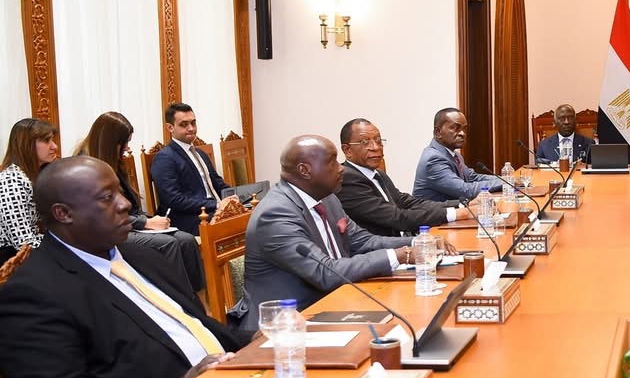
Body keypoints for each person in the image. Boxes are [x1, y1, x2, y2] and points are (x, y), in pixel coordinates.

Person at [0, 157, 249, 378]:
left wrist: (261, 340)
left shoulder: (139, 255)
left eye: (120, 192)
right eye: (107, 198)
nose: (125, 204)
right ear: (63, 213)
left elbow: (195, 325)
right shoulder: (33, 292)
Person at [242, 135, 413, 322]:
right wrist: (399, 255)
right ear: (305, 170)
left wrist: (419, 242)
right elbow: (325, 273)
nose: (341, 168)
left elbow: (364, 241)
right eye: (332, 161)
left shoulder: (327, 198)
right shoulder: (275, 214)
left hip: (337, 302)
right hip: (287, 321)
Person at [76, 111, 205, 293]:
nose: (128, 148)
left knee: (186, 240)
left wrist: (149, 219)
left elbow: (131, 204)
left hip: (130, 223)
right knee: (169, 244)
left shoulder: (112, 161)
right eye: (125, 143)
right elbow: (103, 215)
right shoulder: (86, 169)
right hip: (109, 232)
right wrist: (145, 223)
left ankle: (198, 299)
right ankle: (177, 300)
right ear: (111, 142)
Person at [337, 118, 465, 237]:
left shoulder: (378, 174)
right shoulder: (347, 179)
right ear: (347, 150)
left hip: (399, 243)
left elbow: (407, 202)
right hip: (377, 250)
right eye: (365, 142)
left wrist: (462, 205)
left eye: (378, 140)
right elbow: (397, 218)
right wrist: (455, 214)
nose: (375, 147)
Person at [150, 102, 232, 235]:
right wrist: (217, 205)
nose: (191, 128)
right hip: (186, 217)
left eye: (193, 123)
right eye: (184, 124)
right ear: (170, 127)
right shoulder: (164, 158)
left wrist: (234, 198)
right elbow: (173, 199)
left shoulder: (201, 154)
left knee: (249, 212)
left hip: (212, 211)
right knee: (230, 221)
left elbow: (218, 184)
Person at [412, 108, 503, 202]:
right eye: (455, 128)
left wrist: (505, 179)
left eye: (464, 129)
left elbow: (472, 177)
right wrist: (505, 183)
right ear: (438, 132)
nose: (462, 133)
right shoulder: (433, 159)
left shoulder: (455, 155)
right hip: (434, 211)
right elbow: (465, 190)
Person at [0, 118, 58, 263]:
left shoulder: (35, 174)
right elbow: (23, 243)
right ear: (26, 145)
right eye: (47, 141)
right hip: (11, 260)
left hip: (31, 252)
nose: (54, 146)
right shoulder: (11, 180)